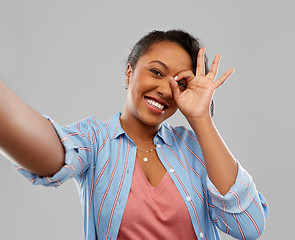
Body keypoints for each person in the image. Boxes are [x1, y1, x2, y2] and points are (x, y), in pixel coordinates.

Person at [0, 29, 268, 239]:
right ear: (129, 73)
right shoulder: (96, 140)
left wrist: (201, 118)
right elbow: (52, 156)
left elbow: (248, 227)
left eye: (180, 83)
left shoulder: (195, 148)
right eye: (156, 72)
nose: (166, 89)